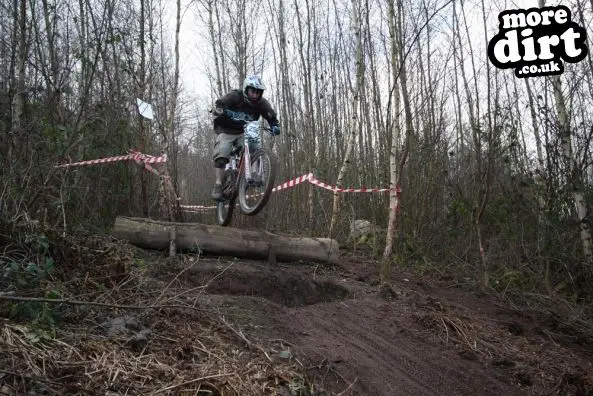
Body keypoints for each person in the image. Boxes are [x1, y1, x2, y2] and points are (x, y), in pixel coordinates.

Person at [210, 75, 281, 200]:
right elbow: (221, 102)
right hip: (226, 129)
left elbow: (271, 116)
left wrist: (274, 126)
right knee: (223, 152)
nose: (255, 95)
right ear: (246, 89)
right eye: (253, 91)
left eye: (258, 92)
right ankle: (218, 184)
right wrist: (219, 108)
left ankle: (253, 174)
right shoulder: (236, 96)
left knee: (255, 145)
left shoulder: (261, 103)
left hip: (244, 131)